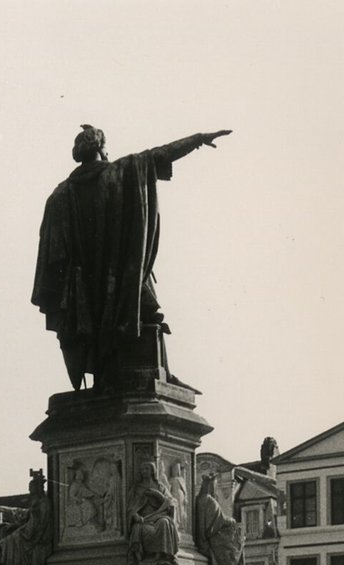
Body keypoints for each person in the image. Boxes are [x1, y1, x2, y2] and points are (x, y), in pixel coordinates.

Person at [32, 125, 231, 390]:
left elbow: (52, 259)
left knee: (141, 314)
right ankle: (156, 374)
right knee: (146, 312)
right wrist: (196, 139)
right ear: (102, 149)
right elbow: (159, 155)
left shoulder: (58, 196)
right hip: (120, 280)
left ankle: (133, 375)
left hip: (83, 294)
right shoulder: (120, 172)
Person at [126, 461, 179, 565]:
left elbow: (170, 502)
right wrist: (135, 515)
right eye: (142, 469)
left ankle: (161, 556)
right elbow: (131, 507)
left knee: (165, 522)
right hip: (144, 519)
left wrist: (158, 495)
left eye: (146, 469)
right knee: (138, 528)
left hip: (158, 516)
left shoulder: (160, 486)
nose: (144, 471)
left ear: (152, 471)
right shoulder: (137, 488)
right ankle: (142, 557)